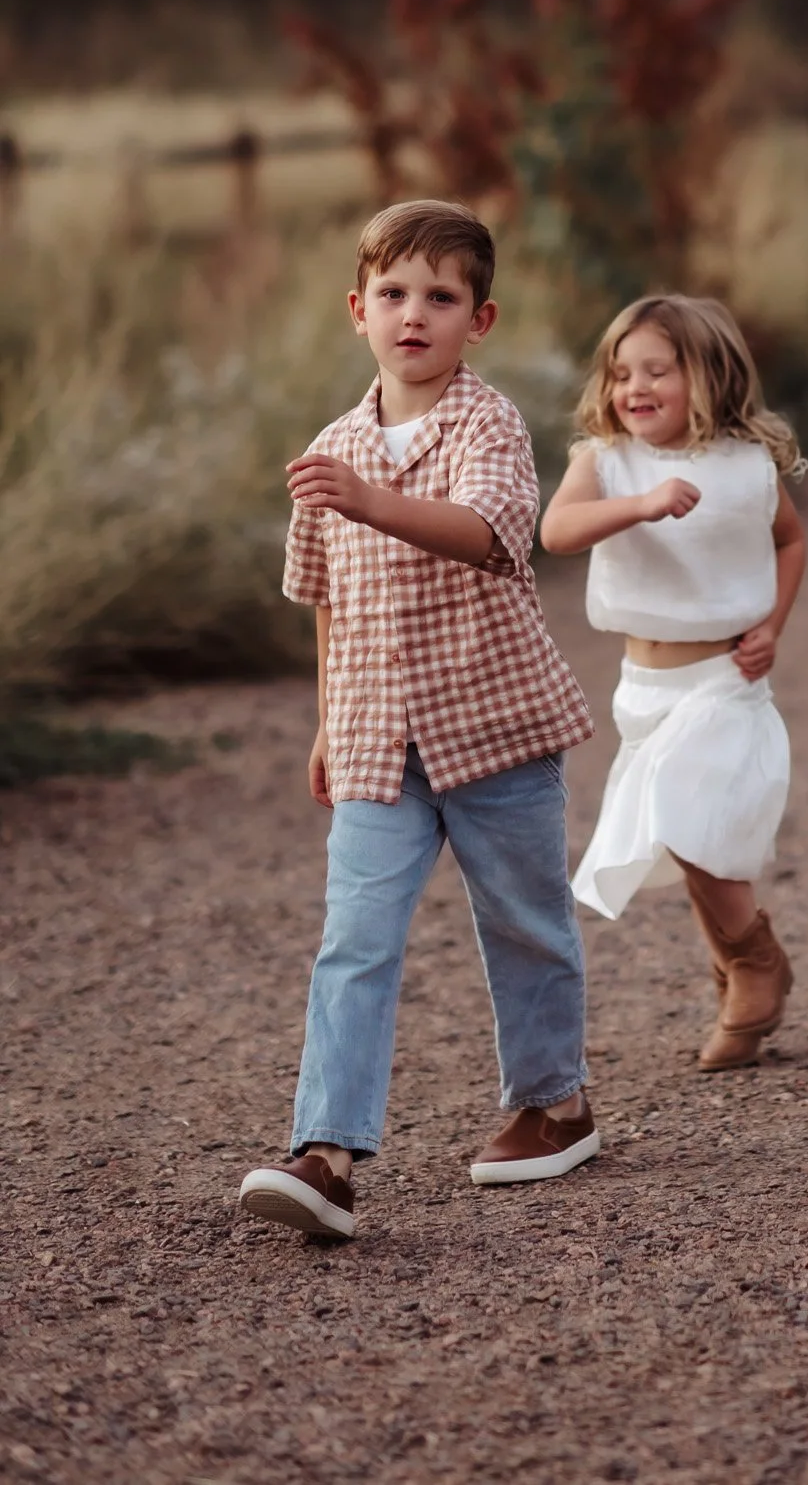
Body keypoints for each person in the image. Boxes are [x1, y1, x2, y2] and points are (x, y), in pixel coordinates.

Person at [237, 198, 596, 1243]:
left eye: (441, 296)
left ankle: (553, 1102)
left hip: (495, 731)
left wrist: (368, 501)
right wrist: (324, 722)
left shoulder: (484, 423)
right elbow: (327, 603)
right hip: (373, 739)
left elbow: (489, 534)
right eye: (393, 293)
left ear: (477, 320)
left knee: (525, 921)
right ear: (358, 309)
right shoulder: (332, 449)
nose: (414, 314)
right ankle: (327, 1151)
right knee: (354, 939)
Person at [541, 295, 805, 1072]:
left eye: (658, 370)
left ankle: (755, 967)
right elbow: (555, 533)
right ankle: (736, 973)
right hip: (643, 689)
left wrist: (773, 627)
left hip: (725, 678)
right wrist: (639, 505)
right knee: (687, 837)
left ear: (710, 375)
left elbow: (789, 542)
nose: (634, 387)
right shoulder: (605, 460)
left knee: (686, 816)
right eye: (621, 372)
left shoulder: (745, 464)